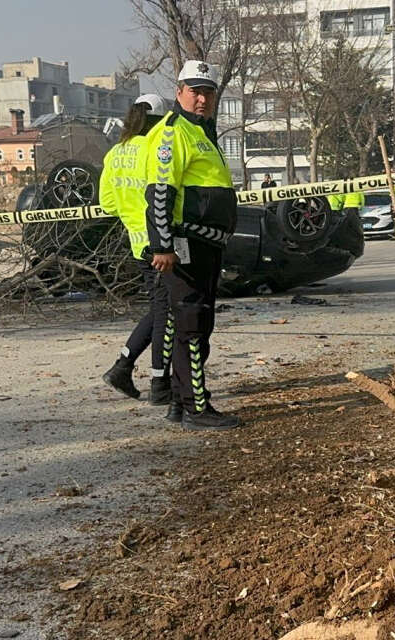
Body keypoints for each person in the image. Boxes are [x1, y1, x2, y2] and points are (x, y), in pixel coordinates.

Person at [144, 60, 241, 430]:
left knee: (197, 323)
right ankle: (197, 407)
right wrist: (162, 246)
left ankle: (183, 402)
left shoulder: (202, 131)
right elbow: (160, 192)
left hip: (206, 243)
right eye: (195, 91)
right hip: (184, 243)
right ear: (180, 92)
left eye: (208, 92)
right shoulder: (174, 133)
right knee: (191, 323)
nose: (202, 99)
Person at [99, 93, 172, 403]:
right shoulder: (154, 149)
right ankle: (159, 384)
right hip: (161, 243)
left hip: (137, 242)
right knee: (166, 314)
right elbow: (165, 194)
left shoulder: (114, 153)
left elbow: (107, 203)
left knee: (159, 309)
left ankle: (123, 367)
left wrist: (131, 213)